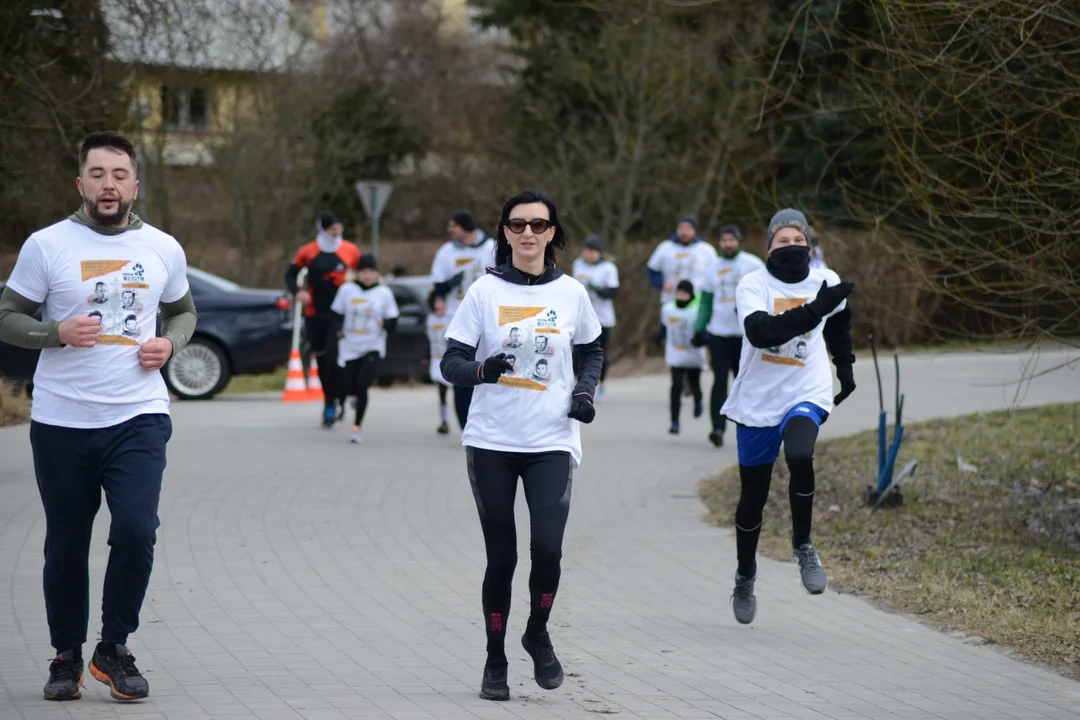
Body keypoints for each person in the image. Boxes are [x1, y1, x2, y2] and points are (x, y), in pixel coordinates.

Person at [0, 130, 198, 702]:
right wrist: (54, 333)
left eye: (118, 175)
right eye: (97, 174)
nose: (108, 185)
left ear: (135, 184)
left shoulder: (163, 247)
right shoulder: (47, 245)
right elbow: (8, 316)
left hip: (138, 416)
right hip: (62, 421)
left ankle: (114, 649)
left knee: (136, 531)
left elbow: (183, 311)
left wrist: (172, 345)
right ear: (80, 183)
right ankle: (66, 656)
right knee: (66, 542)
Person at [439, 190, 604, 702]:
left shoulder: (573, 293)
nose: (527, 233)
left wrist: (583, 391)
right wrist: (481, 371)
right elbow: (451, 362)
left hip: (552, 439)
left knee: (549, 550)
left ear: (553, 231)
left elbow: (593, 349)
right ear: (504, 233)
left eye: (538, 224)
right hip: (492, 440)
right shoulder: (483, 294)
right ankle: (495, 659)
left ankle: (537, 632)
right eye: (517, 225)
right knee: (503, 557)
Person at [720, 208, 856, 625]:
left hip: (805, 390)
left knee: (800, 455)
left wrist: (845, 371)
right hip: (758, 399)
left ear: (810, 247)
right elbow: (761, 332)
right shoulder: (753, 283)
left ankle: (802, 544)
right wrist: (815, 309)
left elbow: (838, 326)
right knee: (753, 499)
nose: (792, 248)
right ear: (768, 249)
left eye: (799, 242)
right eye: (783, 242)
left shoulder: (826, 280)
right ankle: (745, 575)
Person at [284, 212, 362, 428]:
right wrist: (298, 291)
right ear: (323, 230)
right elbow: (290, 275)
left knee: (335, 356)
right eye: (333, 229)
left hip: (340, 314)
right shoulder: (308, 251)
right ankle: (330, 401)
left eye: (339, 228)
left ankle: (341, 397)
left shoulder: (350, 250)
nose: (337, 232)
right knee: (322, 360)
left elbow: (364, 274)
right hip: (315, 313)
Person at [692, 224, 765, 447]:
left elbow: (765, 294)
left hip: (745, 335)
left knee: (744, 382)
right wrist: (699, 328)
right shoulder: (713, 267)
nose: (728, 244)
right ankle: (717, 428)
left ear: (739, 241)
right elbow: (706, 301)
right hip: (719, 333)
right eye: (724, 240)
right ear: (719, 243)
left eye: (731, 240)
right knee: (719, 381)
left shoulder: (753, 264)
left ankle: (751, 426)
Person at [430, 209, 497, 432]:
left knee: (486, 370)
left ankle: (486, 422)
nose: (449, 230)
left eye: (453, 226)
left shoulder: (491, 248)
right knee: (461, 371)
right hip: (457, 320)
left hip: (488, 320)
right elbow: (438, 285)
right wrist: (451, 283)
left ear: (465, 226)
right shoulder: (446, 252)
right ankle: (465, 425)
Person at [329, 253, 399, 445]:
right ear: (357, 273)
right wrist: (337, 330)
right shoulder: (347, 290)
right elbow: (335, 314)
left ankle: (357, 427)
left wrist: (385, 323)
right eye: (364, 272)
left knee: (362, 384)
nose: (367, 276)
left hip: (372, 345)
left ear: (377, 273)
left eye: (371, 272)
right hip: (350, 345)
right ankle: (352, 396)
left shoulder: (384, 293)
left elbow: (393, 321)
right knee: (349, 384)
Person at [571, 234, 619, 400]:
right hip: (581, 316)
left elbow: (612, 292)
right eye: (587, 250)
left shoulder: (608, 268)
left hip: (602, 318)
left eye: (593, 251)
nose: (589, 254)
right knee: (577, 352)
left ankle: (602, 384)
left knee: (599, 353)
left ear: (599, 252)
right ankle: (577, 384)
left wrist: (595, 287)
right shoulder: (578, 264)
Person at [646, 214, 718, 309]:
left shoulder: (706, 250)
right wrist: (661, 284)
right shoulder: (665, 247)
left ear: (695, 230)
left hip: (697, 302)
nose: (684, 232)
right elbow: (652, 270)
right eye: (681, 228)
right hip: (671, 300)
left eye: (688, 229)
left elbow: (716, 274)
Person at [663, 280, 706, 434]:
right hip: (675, 354)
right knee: (676, 385)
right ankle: (674, 421)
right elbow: (664, 327)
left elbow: (703, 329)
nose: (681, 296)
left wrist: (701, 338)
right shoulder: (668, 309)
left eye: (685, 293)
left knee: (694, 384)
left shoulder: (697, 310)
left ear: (691, 295)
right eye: (679, 292)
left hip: (693, 356)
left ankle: (698, 399)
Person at [424, 289, 452, 435]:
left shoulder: (452, 318)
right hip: (437, 359)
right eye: (436, 302)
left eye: (441, 302)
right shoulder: (431, 319)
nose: (438, 305)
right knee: (441, 392)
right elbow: (429, 339)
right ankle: (443, 420)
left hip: (452, 359)